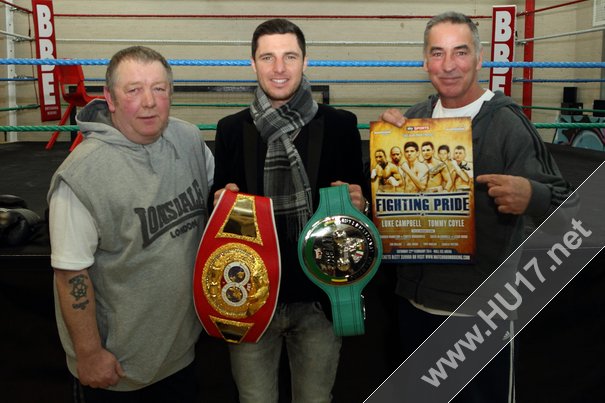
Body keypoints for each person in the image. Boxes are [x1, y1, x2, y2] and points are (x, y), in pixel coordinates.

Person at [379, 12, 572, 402]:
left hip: (480, 315)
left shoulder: (506, 124)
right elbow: (391, 210)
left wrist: (531, 194)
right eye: (438, 53)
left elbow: (573, 213)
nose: (448, 65)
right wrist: (370, 189)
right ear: (424, 61)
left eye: (460, 52)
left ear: (480, 59)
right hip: (414, 305)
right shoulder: (410, 121)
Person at [211, 18, 368, 403]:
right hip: (251, 300)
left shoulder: (342, 126)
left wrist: (360, 204)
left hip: (319, 301)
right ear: (253, 64)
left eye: (289, 56)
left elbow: (359, 217)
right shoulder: (231, 130)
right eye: (268, 57)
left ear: (305, 61)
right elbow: (216, 214)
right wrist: (218, 206)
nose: (279, 68)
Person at [48, 46, 215, 402]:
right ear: (109, 98)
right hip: (118, 369)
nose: (150, 102)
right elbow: (70, 274)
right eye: (134, 90)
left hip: (181, 353)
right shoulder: (81, 176)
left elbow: (221, 201)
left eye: (159, 88)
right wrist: (89, 353)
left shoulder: (189, 141)